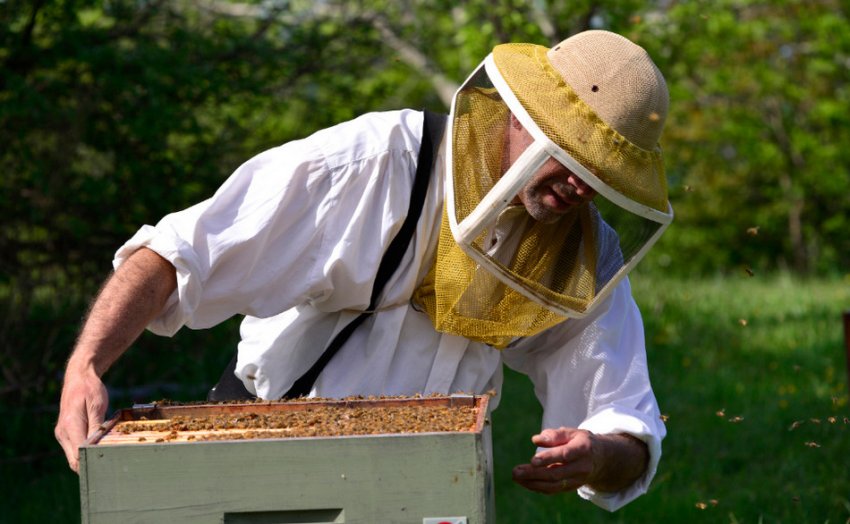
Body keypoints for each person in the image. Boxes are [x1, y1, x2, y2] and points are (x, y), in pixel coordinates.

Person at [55, 29, 672, 512]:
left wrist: (597, 456)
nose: (579, 187)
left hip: (435, 483)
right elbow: (180, 251)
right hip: (272, 453)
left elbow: (624, 417)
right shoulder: (377, 161)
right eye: (569, 158)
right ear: (520, 118)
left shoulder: (586, 253)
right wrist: (86, 366)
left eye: (602, 176)